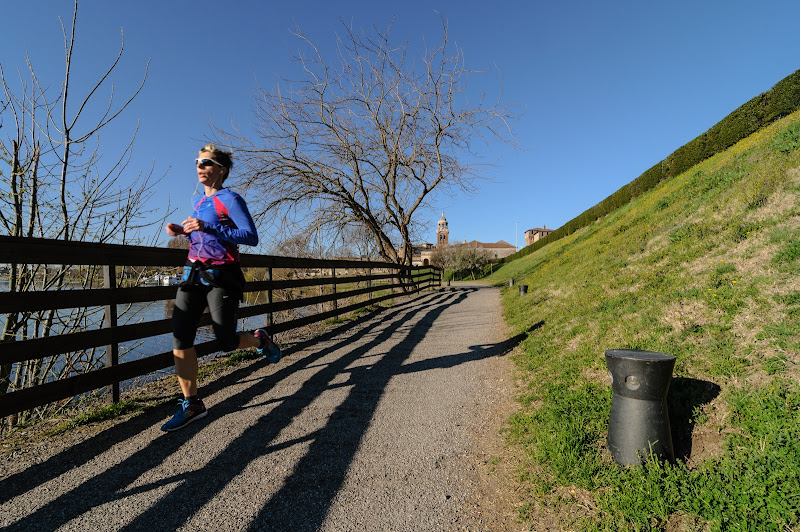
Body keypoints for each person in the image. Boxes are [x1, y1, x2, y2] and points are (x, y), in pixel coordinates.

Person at [160, 143, 281, 432]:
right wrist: (183, 232)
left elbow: (250, 237)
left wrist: (207, 227)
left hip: (222, 275)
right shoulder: (199, 203)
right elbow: (203, 237)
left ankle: (259, 340)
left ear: (221, 170)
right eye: (197, 162)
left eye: (206, 162)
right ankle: (192, 403)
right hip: (193, 274)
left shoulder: (231, 198)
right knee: (180, 336)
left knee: (225, 341)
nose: (200, 167)